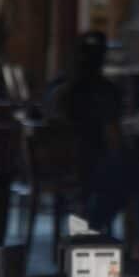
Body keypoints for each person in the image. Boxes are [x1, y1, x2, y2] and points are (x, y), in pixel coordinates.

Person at [44, 31, 124, 231]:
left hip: (58, 169)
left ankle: (91, 224)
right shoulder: (106, 92)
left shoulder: (56, 90)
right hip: (95, 168)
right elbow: (114, 138)